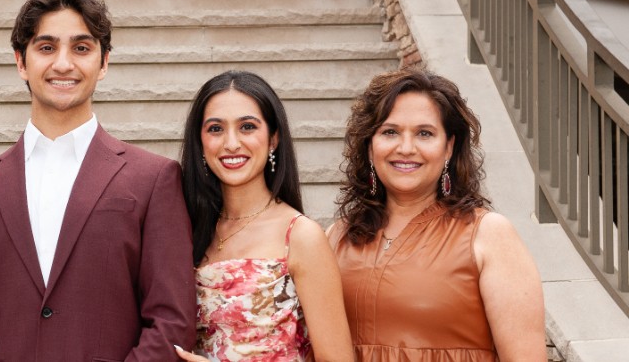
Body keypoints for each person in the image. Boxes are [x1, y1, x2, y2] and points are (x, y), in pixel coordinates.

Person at [0, 0, 196, 360]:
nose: (63, 64)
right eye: (46, 47)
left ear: (104, 62)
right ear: (20, 62)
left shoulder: (154, 180)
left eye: (81, 48)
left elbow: (171, 322)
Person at [329, 67, 545, 361]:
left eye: (424, 133)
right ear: (369, 146)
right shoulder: (336, 237)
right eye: (390, 132)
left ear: (448, 147)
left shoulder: (489, 236)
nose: (406, 148)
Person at [174, 70, 353, 362]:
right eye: (216, 129)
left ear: (273, 139)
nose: (231, 143)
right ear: (200, 143)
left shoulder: (300, 236)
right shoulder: (187, 227)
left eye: (247, 127)